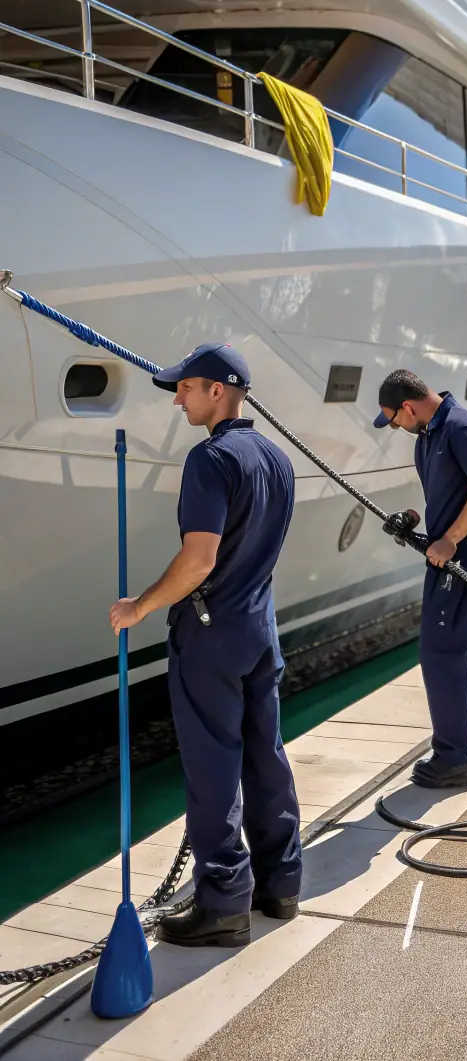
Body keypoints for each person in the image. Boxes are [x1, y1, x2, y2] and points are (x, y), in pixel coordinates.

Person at [108, 343, 302, 948]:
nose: (177, 398)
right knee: (264, 753)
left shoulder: (210, 460)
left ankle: (223, 904)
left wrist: (139, 606)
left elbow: (200, 558)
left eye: (185, 388)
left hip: (211, 631)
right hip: (259, 628)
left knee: (213, 764)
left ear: (218, 390)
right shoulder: (277, 460)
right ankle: (281, 883)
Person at [373, 370, 467, 788]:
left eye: (393, 419)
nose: (395, 426)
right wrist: (413, 520)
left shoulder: (461, 427)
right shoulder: (428, 434)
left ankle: (452, 760)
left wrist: (450, 540)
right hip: (446, 557)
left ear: (408, 406)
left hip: (464, 560)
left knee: (441, 656)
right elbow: (449, 497)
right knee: (459, 659)